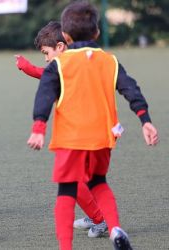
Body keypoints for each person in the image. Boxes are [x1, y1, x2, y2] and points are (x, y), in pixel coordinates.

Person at [27, 2, 159, 250]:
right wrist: (145, 120)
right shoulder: (110, 61)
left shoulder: (59, 65)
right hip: (102, 138)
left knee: (66, 191)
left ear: (64, 37)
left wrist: (38, 128)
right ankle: (115, 228)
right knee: (99, 183)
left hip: (71, 140)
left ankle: (65, 246)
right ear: (97, 33)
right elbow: (131, 89)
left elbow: (44, 95)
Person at [16, 21, 107, 238]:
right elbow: (48, 75)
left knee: (73, 178)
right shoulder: (68, 64)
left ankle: (100, 218)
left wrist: (28, 68)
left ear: (60, 46)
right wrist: (28, 68)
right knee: (83, 177)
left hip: (84, 132)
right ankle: (95, 214)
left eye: (46, 53)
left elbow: (47, 75)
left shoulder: (72, 66)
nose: (46, 58)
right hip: (80, 131)